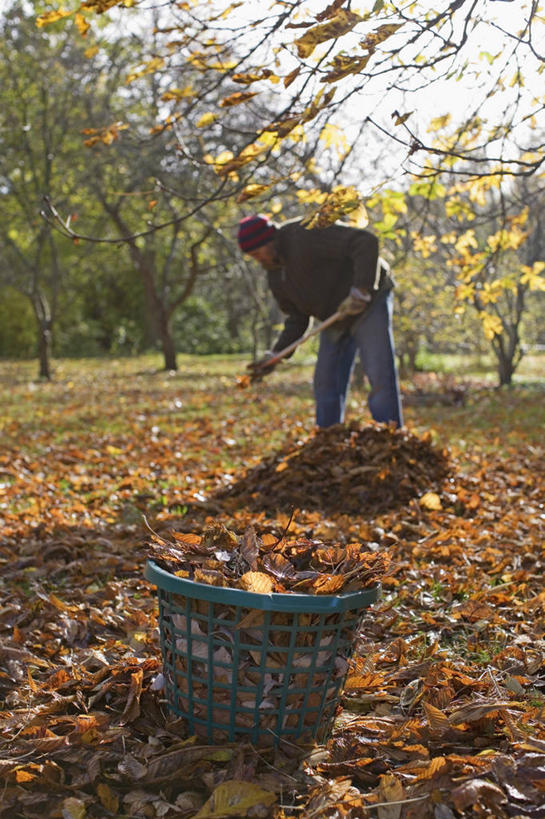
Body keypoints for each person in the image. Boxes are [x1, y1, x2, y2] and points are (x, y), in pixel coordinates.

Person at [237, 213, 403, 428]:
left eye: (257, 252)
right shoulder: (275, 274)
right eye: (252, 256)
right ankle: (328, 437)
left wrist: (361, 289)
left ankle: (390, 434)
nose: (257, 259)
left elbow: (365, 241)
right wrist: (277, 354)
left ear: (268, 240)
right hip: (335, 316)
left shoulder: (305, 233)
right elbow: (297, 317)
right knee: (326, 382)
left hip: (370, 301)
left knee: (379, 372)